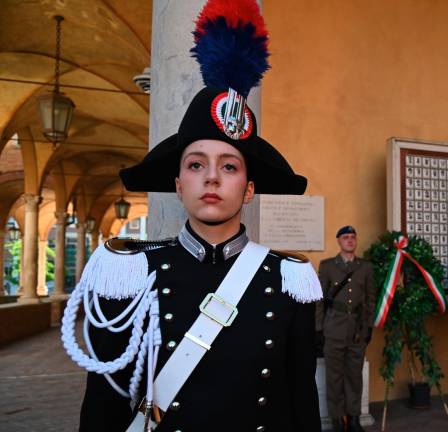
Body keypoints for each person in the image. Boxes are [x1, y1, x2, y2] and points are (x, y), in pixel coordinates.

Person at [60, 1, 323, 430]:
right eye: (196, 164)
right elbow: (104, 408)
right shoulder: (132, 274)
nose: (212, 177)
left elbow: (301, 407)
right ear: (179, 184)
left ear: (249, 188)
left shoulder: (288, 280)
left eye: (230, 166)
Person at [316, 226, 376, 432]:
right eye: (345, 237)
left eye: (352, 237)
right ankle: (337, 420)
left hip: (357, 332)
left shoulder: (365, 267)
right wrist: (318, 330)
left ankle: (353, 418)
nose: (350, 240)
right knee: (334, 378)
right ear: (339, 241)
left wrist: (369, 327)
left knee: (354, 377)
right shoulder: (327, 266)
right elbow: (319, 301)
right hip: (333, 330)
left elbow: (370, 299)